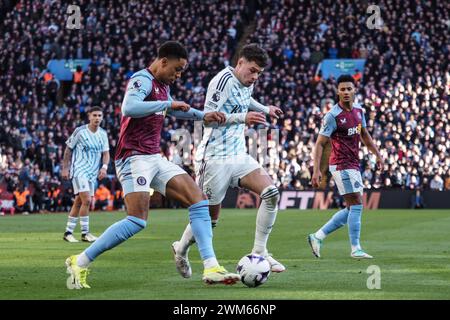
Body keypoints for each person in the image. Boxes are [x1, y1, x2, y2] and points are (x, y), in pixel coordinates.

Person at [65, 41, 240, 289]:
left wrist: (203, 115)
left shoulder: (162, 86)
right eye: (177, 69)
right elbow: (130, 107)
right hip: (132, 157)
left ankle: (211, 266)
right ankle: (79, 261)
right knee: (137, 221)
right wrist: (168, 104)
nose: (178, 75)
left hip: (153, 156)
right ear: (163, 61)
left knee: (199, 200)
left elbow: (177, 111)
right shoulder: (142, 79)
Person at [172, 43, 286, 280]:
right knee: (210, 220)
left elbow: (246, 99)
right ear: (240, 63)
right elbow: (208, 120)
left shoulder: (245, 83)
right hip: (214, 158)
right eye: (252, 70)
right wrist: (243, 118)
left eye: (259, 74)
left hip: (238, 154)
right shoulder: (221, 82)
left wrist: (266, 108)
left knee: (271, 192)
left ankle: (260, 251)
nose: (254, 77)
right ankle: (181, 249)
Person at [308, 74, 384, 259]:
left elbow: (364, 134)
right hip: (341, 165)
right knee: (357, 204)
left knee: (352, 208)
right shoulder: (332, 116)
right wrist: (316, 170)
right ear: (337, 92)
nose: (346, 92)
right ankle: (355, 248)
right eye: (342, 89)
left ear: (355, 90)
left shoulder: (359, 111)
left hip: (354, 164)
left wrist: (378, 155)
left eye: (349, 88)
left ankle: (317, 236)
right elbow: (319, 143)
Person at [61, 106, 110, 243]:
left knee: (79, 202)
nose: (97, 118)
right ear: (89, 116)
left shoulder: (103, 134)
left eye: (99, 115)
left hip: (92, 173)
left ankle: (68, 233)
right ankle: (85, 233)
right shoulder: (80, 131)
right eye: (94, 115)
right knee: (87, 200)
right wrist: (65, 168)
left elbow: (106, 154)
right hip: (79, 170)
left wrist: (104, 167)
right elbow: (68, 150)